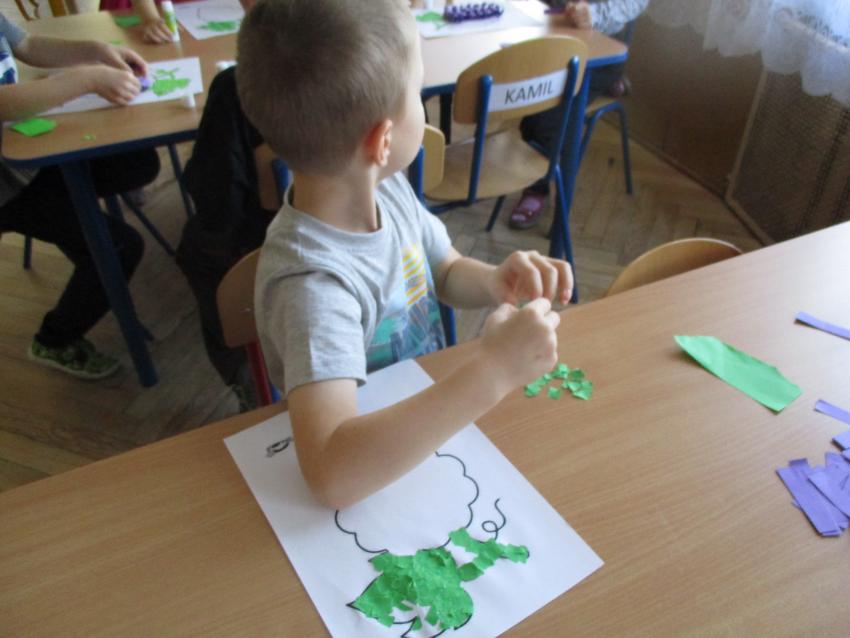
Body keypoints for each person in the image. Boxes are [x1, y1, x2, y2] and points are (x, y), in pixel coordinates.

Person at [237, 0, 573, 509]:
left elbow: (443, 269)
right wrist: (493, 371)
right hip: (372, 468)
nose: (421, 102)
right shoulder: (313, 287)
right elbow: (331, 475)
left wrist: (492, 281)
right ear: (383, 139)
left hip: (423, 427)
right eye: (417, 92)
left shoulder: (384, 189)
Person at [0, 13, 159, 379]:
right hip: (7, 190)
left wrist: (95, 51)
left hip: (26, 159)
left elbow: (28, 44)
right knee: (119, 248)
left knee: (136, 163)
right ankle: (54, 340)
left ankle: (85, 242)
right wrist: (86, 79)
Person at [176, 65, 275, 410]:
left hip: (271, 244)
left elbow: (216, 198)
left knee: (198, 250)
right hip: (360, 218)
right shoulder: (383, 51)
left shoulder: (243, 82)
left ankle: (245, 374)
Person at [509, 0, 648, 230]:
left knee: (542, 117)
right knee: (517, 82)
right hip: (553, 37)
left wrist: (595, 15)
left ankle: (537, 189)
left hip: (597, 51)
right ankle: (610, 85)